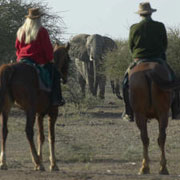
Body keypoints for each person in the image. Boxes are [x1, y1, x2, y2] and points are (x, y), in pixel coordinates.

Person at [122, 2, 179, 121]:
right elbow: (164, 44)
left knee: (125, 82)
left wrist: (137, 55)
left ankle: (129, 112)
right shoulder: (160, 26)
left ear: (140, 14)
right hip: (158, 59)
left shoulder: (134, 27)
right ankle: (176, 111)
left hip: (139, 59)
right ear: (151, 13)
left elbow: (131, 46)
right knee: (174, 81)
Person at [15, 8, 65, 106]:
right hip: (37, 60)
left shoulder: (21, 31)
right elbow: (47, 48)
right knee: (55, 74)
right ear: (39, 19)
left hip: (22, 60)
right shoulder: (42, 31)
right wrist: (50, 59)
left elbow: (18, 47)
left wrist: (19, 58)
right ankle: (56, 100)